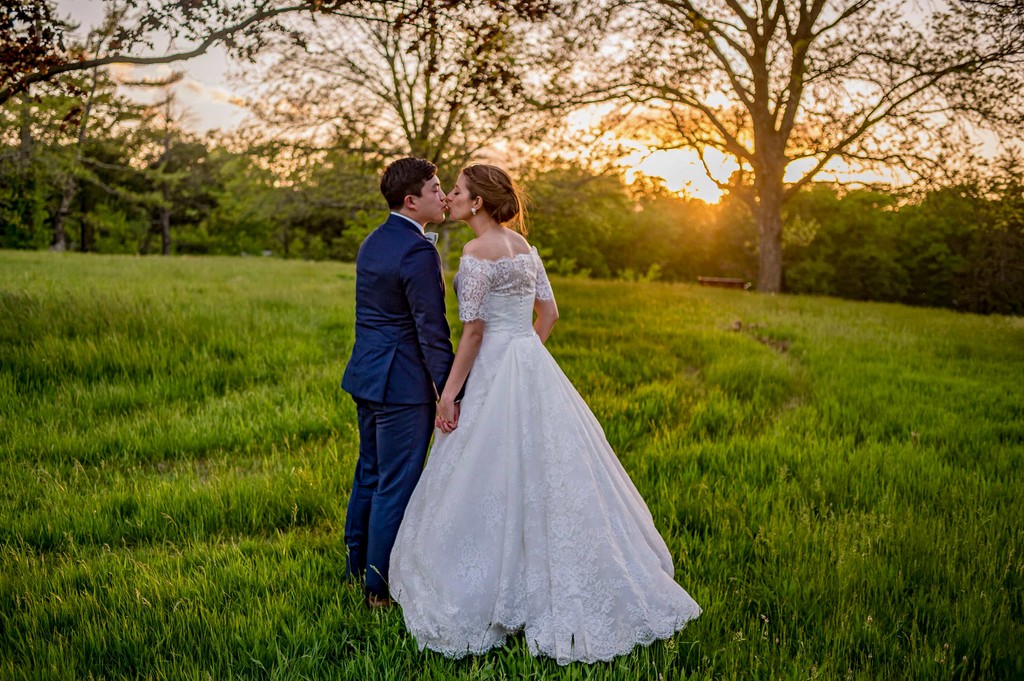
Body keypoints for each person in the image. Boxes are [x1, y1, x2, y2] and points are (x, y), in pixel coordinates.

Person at [388, 164, 701, 664]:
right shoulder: (526, 251)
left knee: (485, 469)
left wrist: (449, 394)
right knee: (552, 469)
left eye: (459, 191)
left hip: (494, 366)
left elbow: (471, 334)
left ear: (479, 203)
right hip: (532, 363)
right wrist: (525, 355)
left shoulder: (473, 254)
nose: (450, 196)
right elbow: (549, 315)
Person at [341, 157, 456, 609]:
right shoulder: (418, 251)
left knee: (369, 474)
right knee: (395, 483)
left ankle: (356, 570)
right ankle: (378, 589)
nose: (443, 195)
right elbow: (432, 328)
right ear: (412, 200)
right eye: (435, 188)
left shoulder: (374, 241)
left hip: (367, 376)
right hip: (402, 386)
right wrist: (450, 392)